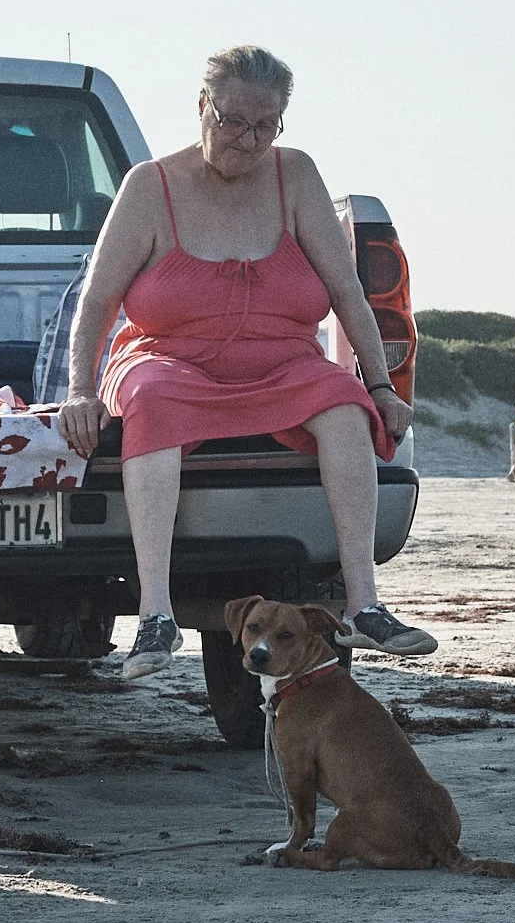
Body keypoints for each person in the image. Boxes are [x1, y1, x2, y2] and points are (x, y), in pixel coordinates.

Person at [58, 45, 438, 679]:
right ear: (202, 107)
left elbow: (347, 292)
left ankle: (366, 606)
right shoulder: (149, 187)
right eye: (232, 121)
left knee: (345, 405)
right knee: (152, 399)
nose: (246, 140)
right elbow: (97, 300)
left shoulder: (297, 178)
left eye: (265, 126)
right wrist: (79, 388)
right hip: (168, 358)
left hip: (282, 361)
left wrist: (380, 385)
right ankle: (156, 617)